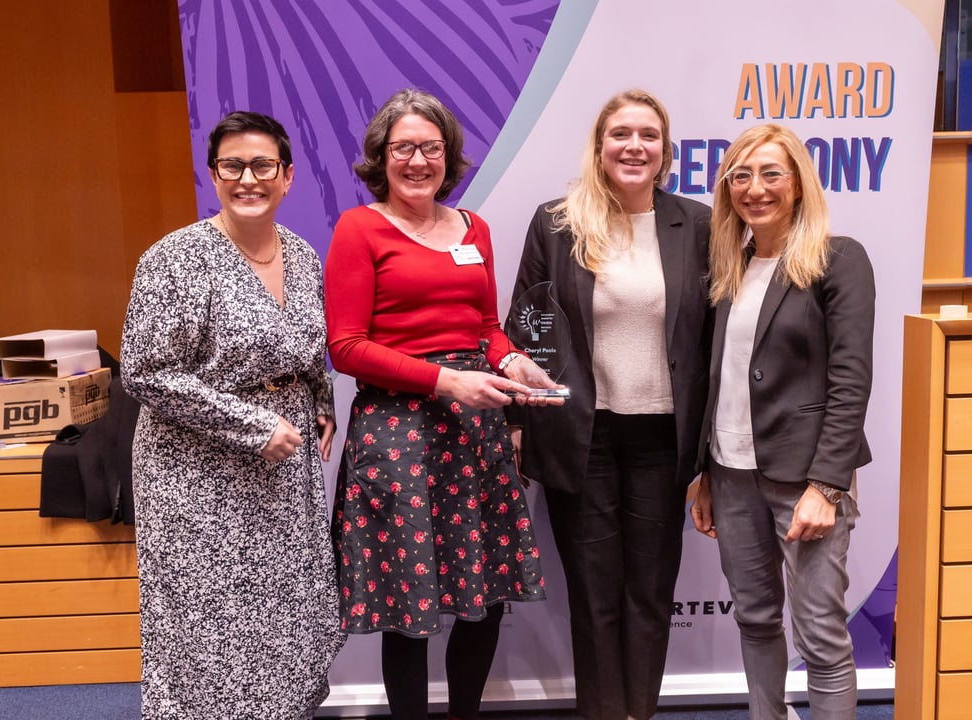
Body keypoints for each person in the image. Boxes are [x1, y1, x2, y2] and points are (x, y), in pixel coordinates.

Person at [324, 88, 555, 720]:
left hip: (475, 426)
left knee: (486, 590)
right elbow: (345, 347)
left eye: (430, 147)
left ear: (448, 155)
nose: (418, 161)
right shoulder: (359, 228)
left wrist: (510, 359)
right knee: (410, 599)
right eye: (404, 148)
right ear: (382, 156)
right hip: (398, 432)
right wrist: (444, 382)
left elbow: (483, 324)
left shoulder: (473, 227)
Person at [121, 110, 344, 719]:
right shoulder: (175, 258)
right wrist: (251, 426)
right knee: (209, 628)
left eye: (263, 165)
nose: (249, 178)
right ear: (214, 175)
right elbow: (145, 370)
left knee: (283, 617)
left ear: (287, 176)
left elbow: (301, 347)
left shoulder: (301, 255)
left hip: (282, 471)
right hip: (195, 479)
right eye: (233, 166)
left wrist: (320, 401)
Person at [506, 89, 711, 720]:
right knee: (594, 597)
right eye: (621, 134)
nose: (634, 146)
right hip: (580, 435)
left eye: (648, 135)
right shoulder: (558, 222)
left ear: (665, 152)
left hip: (661, 438)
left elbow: (711, 336)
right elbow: (528, 326)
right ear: (600, 147)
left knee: (649, 593)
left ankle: (639, 712)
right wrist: (518, 423)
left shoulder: (698, 224)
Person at [689, 123, 875, 720]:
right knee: (756, 619)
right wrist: (707, 473)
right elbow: (717, 378)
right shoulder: (729, 266)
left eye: (771, 173)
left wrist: (828, 484)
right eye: (740, 175)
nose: (755, 188)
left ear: (797, 183)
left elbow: (852, 381)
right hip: (732, 474)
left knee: (820, 635)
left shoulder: (838, 258)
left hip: (806, 480)